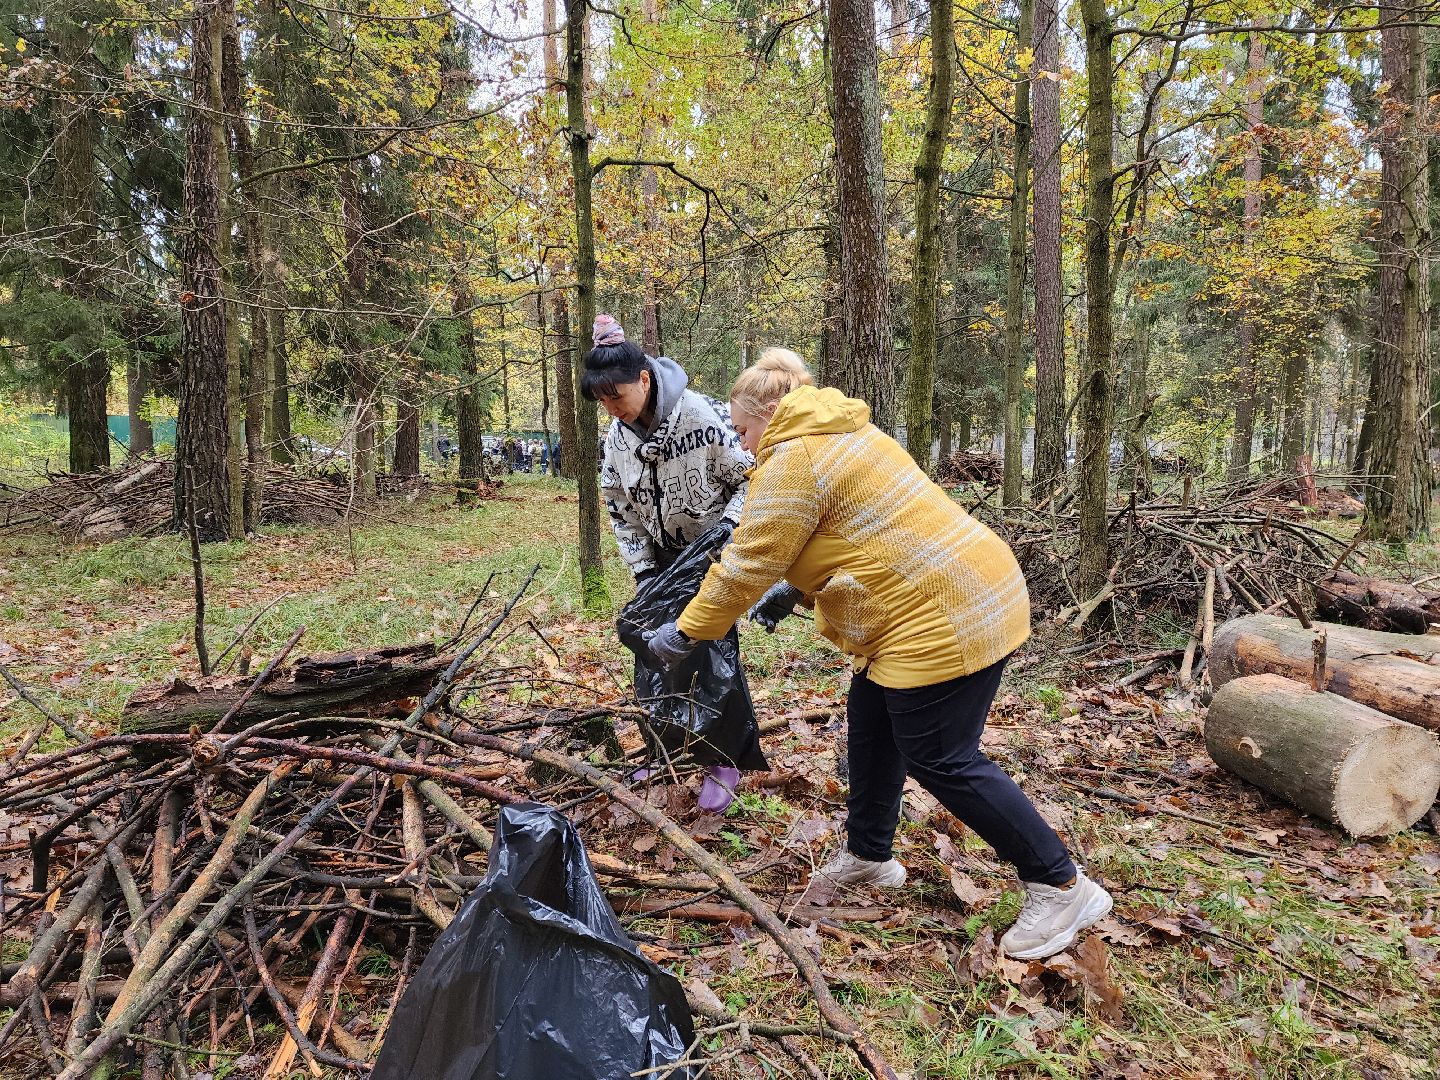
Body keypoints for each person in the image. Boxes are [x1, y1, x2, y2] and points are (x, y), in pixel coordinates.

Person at [644, 348, 1113, 960]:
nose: (739, 440)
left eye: (741, 428)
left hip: (946, 613)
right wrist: (797, 586)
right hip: (960, 590)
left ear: (769, 414)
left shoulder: (795, 457)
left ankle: (1059, 883)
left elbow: (745, 563)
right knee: (871, 717)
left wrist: (687, 632)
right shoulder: (840, 430)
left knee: (939, 754)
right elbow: (860, 526)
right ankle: (869, 854)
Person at [582, 314, 762, 811]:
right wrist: (643, 570)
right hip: (659, 562)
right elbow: (618, 507)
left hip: (710, 553)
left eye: (616, 395)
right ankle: (665, 748)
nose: (611, 408)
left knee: (711, 654)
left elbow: (752, 478)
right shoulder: (617, 440)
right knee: (650, 651)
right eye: (601, 401)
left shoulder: (701, 417)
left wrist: (726, 532)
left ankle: (724, 759)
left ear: (643, 379)